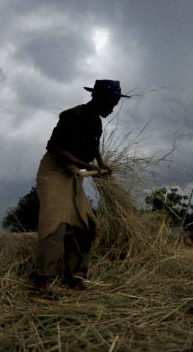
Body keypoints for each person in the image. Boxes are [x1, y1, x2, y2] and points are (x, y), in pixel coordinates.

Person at [34, 79, 130, 292]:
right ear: (99, 98)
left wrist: (101, 165)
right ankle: (43, 281)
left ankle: (75, 278)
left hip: (74, 173)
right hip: (54, 171)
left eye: (115, 104)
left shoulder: (96, 122)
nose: (113, 109)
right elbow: (56, 148)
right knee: (55, 224)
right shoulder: (72, 115)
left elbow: (94, 146)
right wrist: (85, 165)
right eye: (111, 103)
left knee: (84, 225)